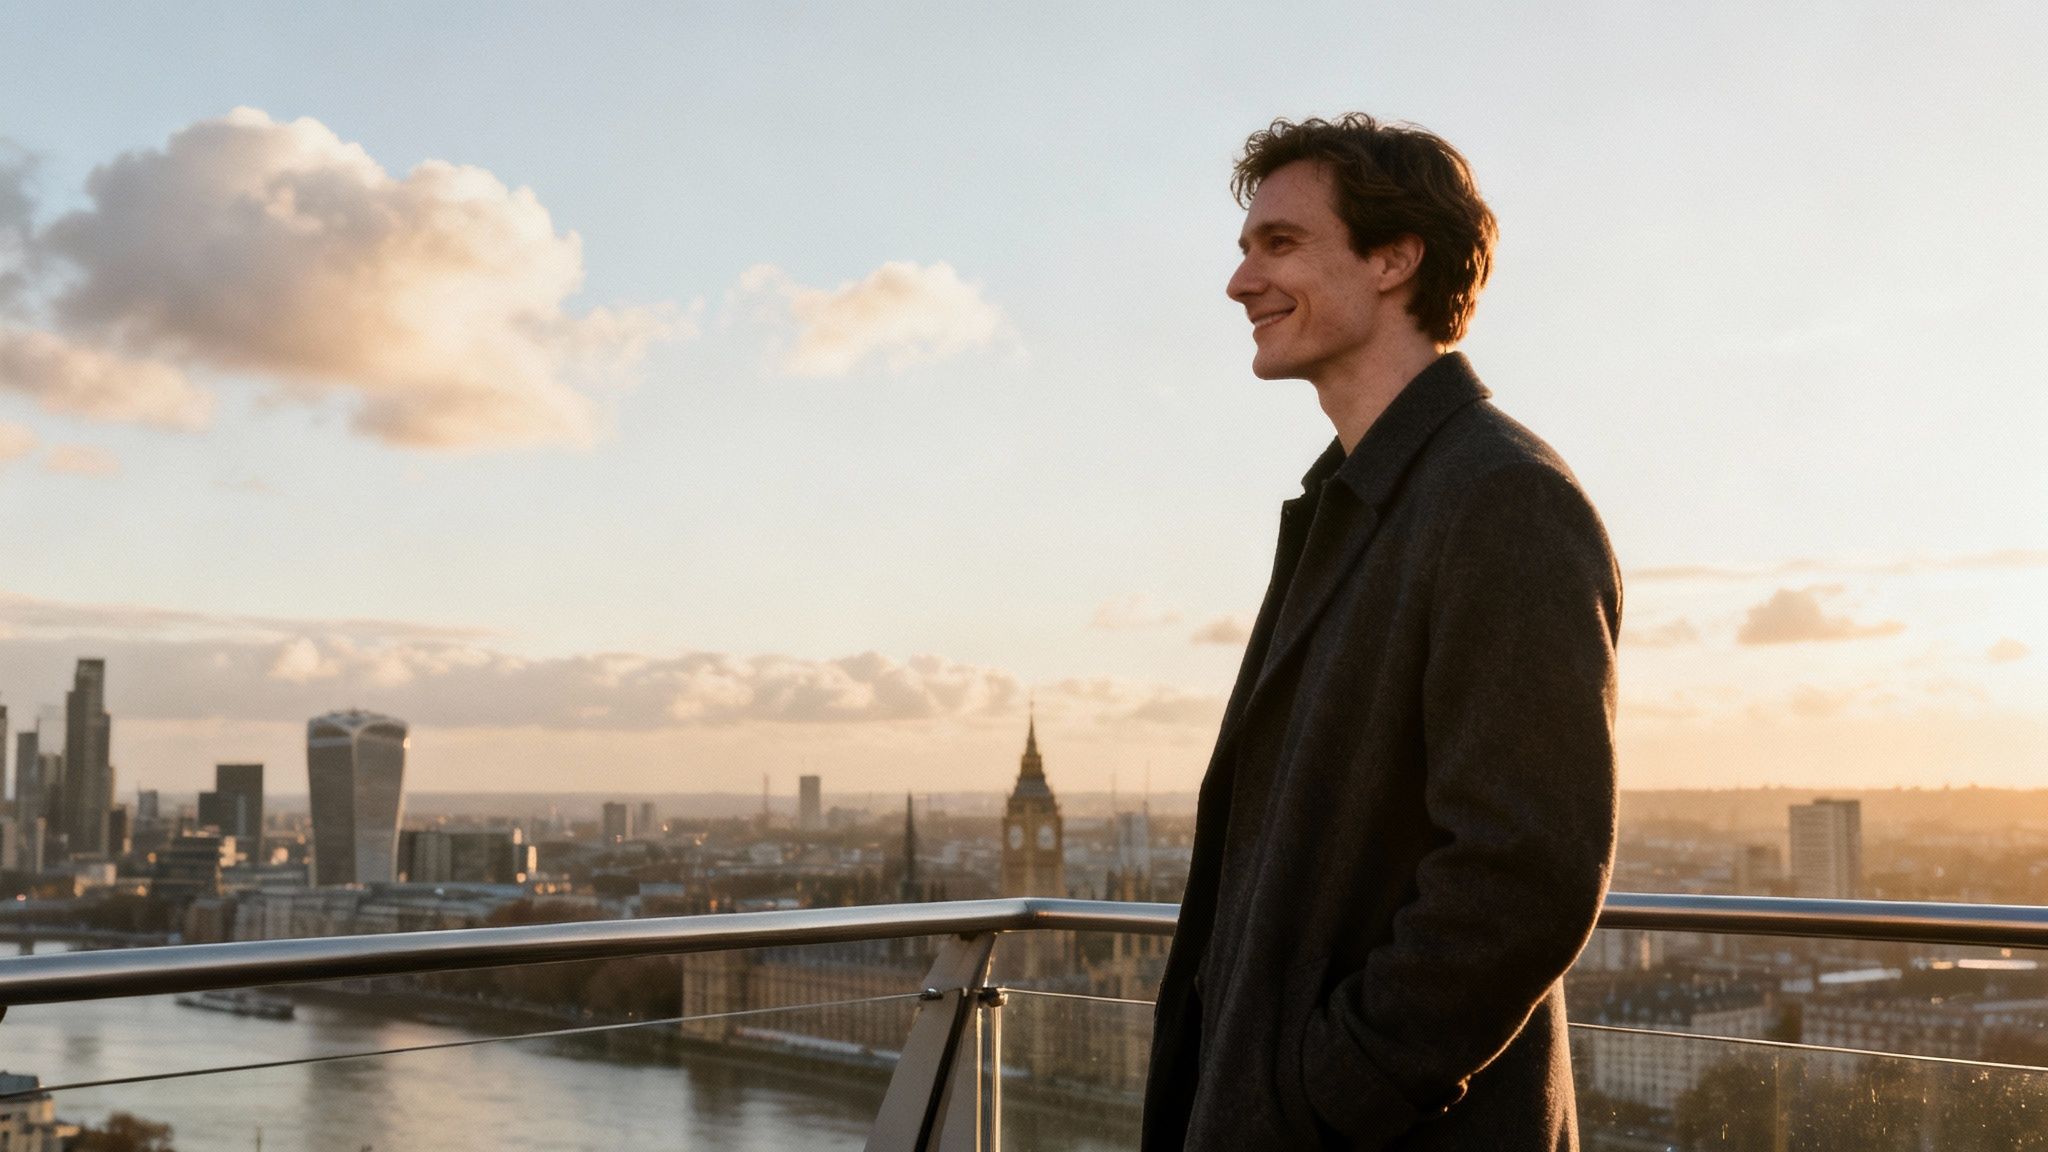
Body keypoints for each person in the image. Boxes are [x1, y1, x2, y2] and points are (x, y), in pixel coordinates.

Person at [1142, 115, 1623, 1150]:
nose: (1238, 283)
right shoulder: (1366, 504)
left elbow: (1525, 872)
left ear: (1394, 258)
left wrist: (1334, 1086)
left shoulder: (1500, 498)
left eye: (1278, 244)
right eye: (1243, 249)